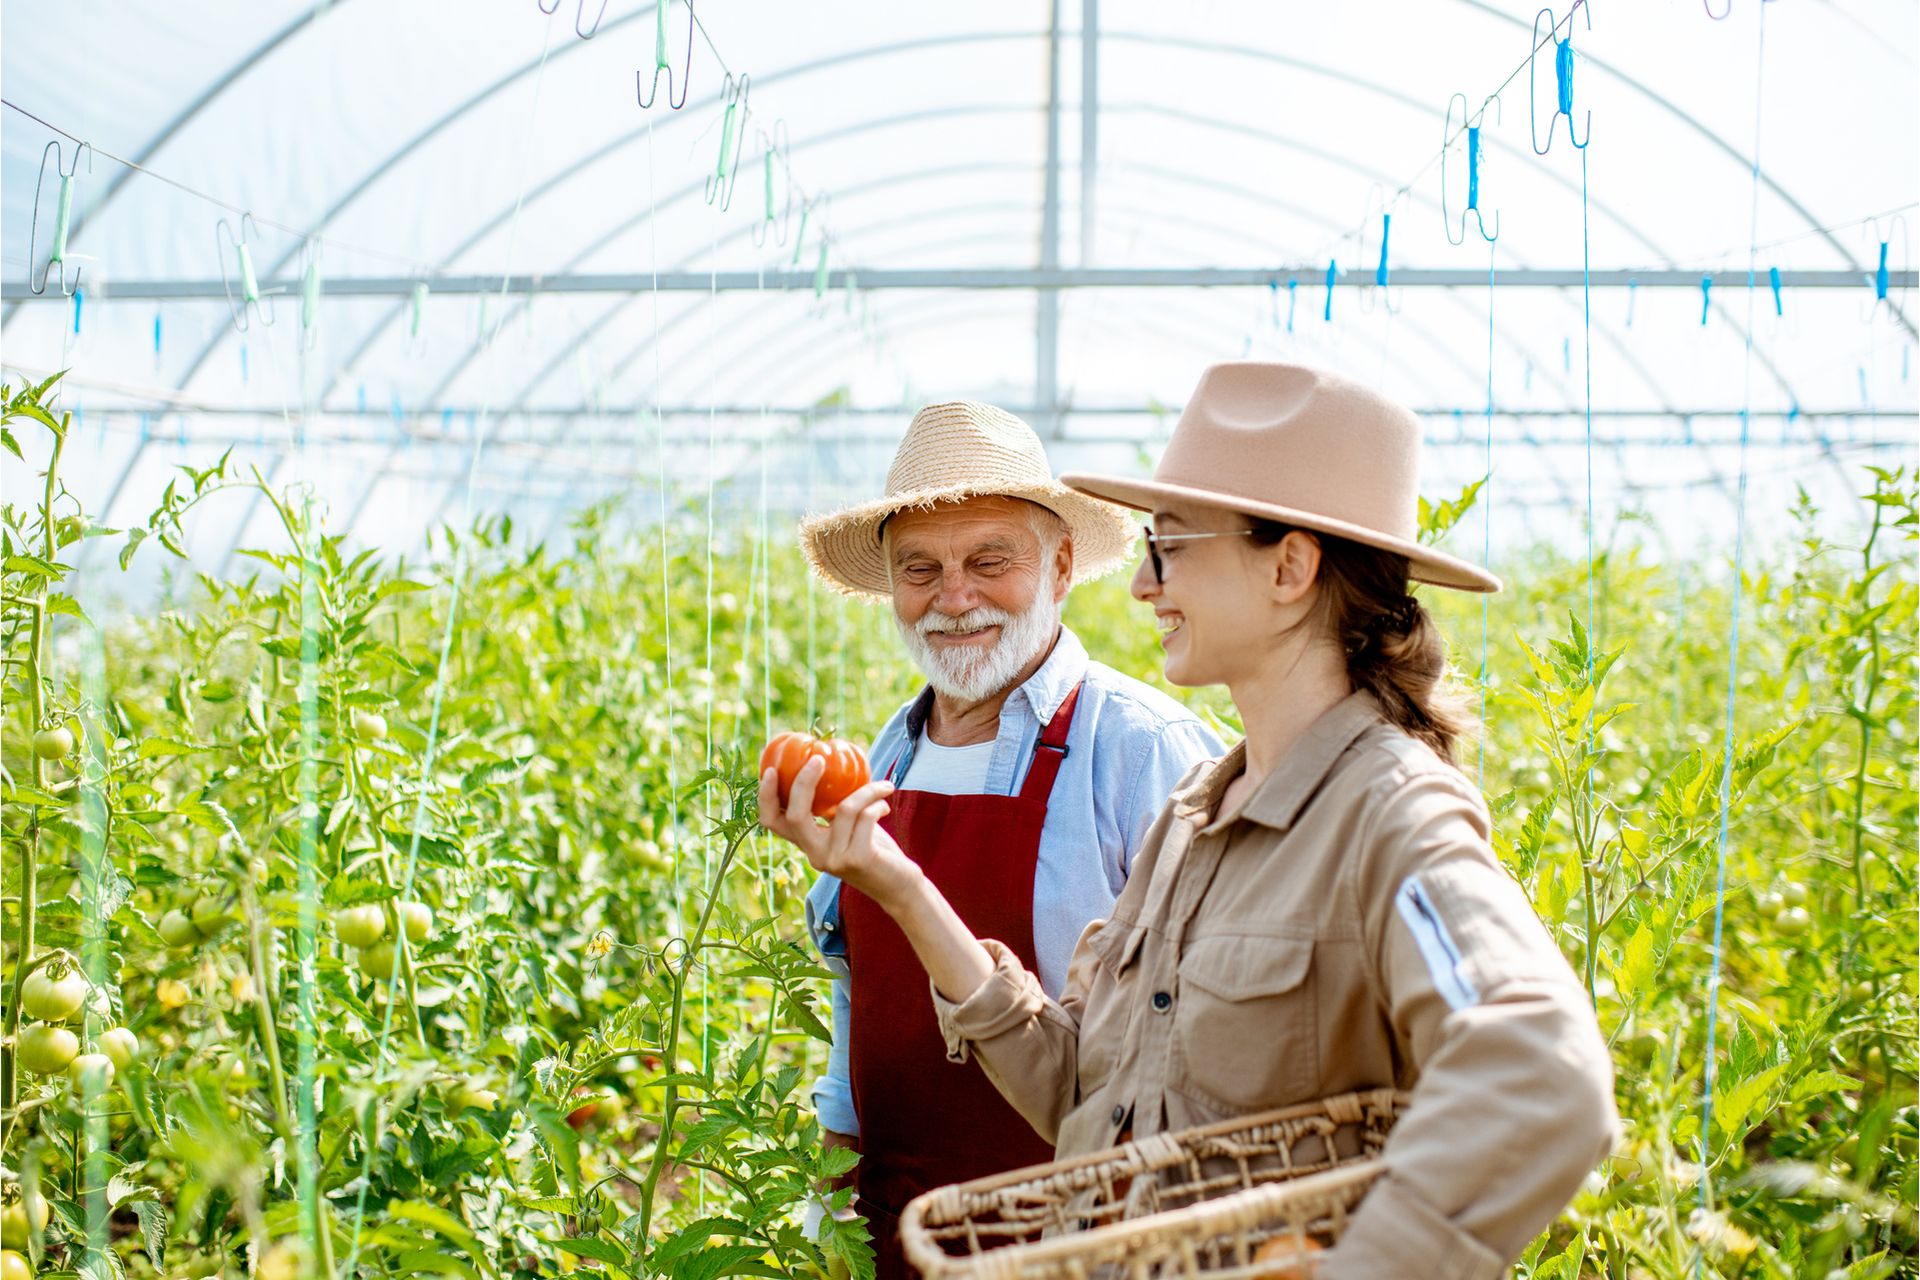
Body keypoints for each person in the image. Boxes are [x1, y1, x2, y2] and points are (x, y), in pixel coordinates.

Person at [766, 363, 1618, 1278]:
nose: (1141, 582)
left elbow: (1546, 1082)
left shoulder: (1388, 814)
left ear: (1289, 567)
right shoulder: (1197, 815)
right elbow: (1089, 1096)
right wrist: (895, 884)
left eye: (1169, 546)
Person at [794, 400, 1223, 1276]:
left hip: (1081, 1238)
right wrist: (831, 1171)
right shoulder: (887, 752)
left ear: (1061, 567)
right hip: (893, 1231)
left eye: (990, 560)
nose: (954, 599)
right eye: (920, 570)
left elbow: (1210, 1039)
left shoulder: (1140, 748)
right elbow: (854, 980)